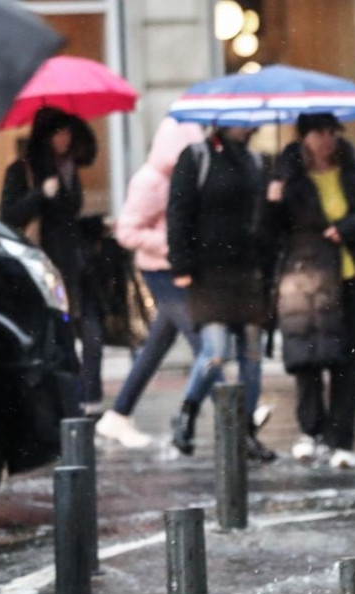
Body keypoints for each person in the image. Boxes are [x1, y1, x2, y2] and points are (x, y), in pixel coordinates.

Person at [265, 113, 355, 470]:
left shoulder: (350, 171)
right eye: (319, 132)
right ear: (304, 137)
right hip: (302, 281)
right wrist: (274, 197)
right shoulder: (287, 175)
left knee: (345, 363)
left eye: (332, 132)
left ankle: (342, 440)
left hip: (348, 278)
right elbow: (268, 232)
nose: (327, 139)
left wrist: (347, 227)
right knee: (307, 360)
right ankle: (311, 432)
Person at [166, 124, 277, 462]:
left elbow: (265, 222)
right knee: (215, 352)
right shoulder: (197, 156)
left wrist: (274, 199)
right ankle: (186, 414)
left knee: (252, 358)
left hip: (247, 270)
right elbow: (178, 211)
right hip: (207, 271)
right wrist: (181, 264)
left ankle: (245, 433)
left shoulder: (256, 162)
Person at [95, 119, 207, 448]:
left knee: (158, 345)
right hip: (160, 270)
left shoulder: (182, 178)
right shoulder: (150, 181)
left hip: (177, 266)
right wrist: (171, 245)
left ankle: (118, 415)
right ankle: (240, 417)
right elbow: (127, 231)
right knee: (204, 343)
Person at [1, 107, 104, 409]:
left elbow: (68, 219)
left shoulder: (69, 169)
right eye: (58, 133)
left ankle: (90, 401)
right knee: (58, 341)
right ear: (44, 136)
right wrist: (40, 194)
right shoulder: (22, 170)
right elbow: (9, 215)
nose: (65, 139)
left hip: (77, 265)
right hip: (46, 268)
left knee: (92, 337)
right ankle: (66, 405)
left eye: (68, 133)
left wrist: (95, 225)